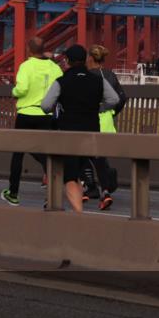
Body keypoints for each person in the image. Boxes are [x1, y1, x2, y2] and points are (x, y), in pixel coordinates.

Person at [41, 44, 121, 214]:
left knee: (70, 177)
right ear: (85, 60)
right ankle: (98, 195)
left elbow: (45, 106)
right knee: (90, 165)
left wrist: (60, 104)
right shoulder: (98, 80)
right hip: (92, 132)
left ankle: (79, 215)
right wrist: (100, 108)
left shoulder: (61, 81)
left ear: (67, 61)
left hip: (69, 135)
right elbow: (114, 99)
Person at [1, 37, 63, 206]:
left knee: (18, 154)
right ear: (44, 49)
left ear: (29, 49)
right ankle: (51, 193)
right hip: (46, 115)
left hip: (26, 113)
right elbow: (60, 89)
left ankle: (13, 193)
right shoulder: (55, 68)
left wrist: (14, 92)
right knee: (45, 152)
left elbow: (22, 89)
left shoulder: (26, 66)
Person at [83, 45, 127, 211]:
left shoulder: (86, 76)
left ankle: (90, 185)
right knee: (99, 156)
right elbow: (121, 98)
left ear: (91, 59)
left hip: (89, 120)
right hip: (106, 120)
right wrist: (112, 112)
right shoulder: (110, 75)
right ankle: (105, 188)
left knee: (79, 153)